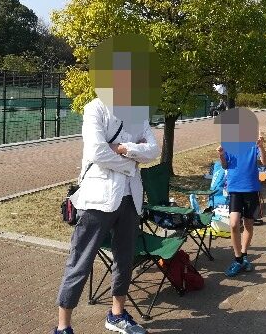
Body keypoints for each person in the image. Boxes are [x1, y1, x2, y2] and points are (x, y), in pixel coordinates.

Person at [54, 34, 161, 334]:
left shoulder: (138, 111)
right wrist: (132, 160)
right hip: (98, 198)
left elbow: (154, 150)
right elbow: (97, 152)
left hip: (130, 197)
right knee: (80, 261)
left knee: (124, 259)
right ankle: (63, 326)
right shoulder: (95, 108)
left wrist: (125, 149)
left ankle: (116, 315)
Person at [216, 108, 266, 277]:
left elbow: (265, 162)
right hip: (235, 189)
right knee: (233, 224)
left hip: (251, 189)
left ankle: (244, 255)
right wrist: (221, 155)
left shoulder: (253, 144)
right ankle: (237, 258)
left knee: (248, 224)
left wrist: (261, 147)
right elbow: (225, 165)